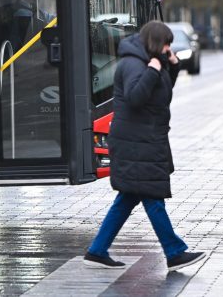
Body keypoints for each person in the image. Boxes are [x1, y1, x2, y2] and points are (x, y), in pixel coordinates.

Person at [83, 20, 208, 272]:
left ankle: (97, 251)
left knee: (128, 198)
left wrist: (173, 66)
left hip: (144, 140)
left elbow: (160, 94)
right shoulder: (133, 63)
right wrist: (153, 70)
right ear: (154, 42)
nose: (167, 48)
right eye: (166, 44)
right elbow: (136, 97)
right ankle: (174, 252)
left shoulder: (151, 62)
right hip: (135, 142)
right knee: (152, 196)